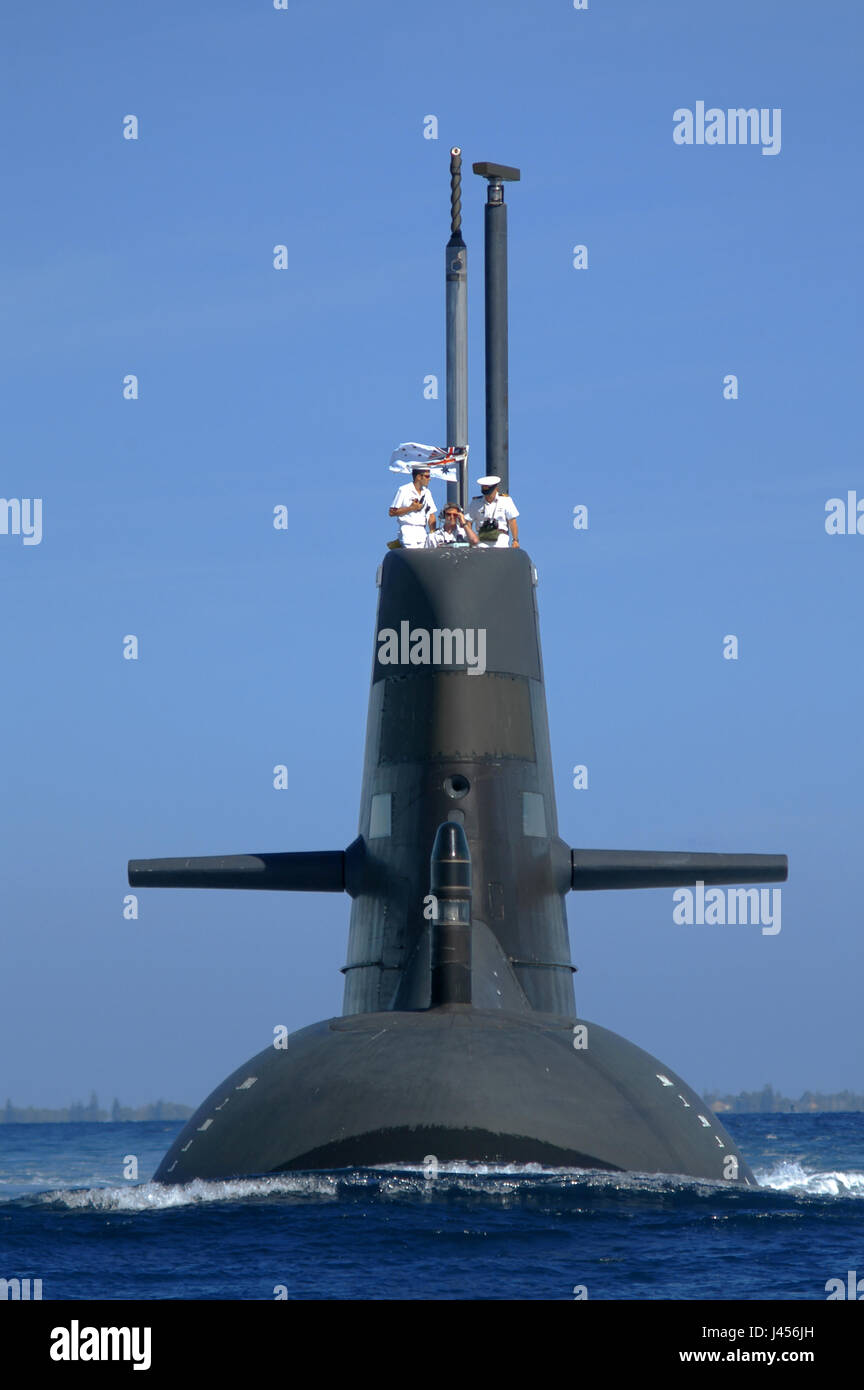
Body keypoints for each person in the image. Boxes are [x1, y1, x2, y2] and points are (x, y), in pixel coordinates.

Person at [389, 467, 436, 548]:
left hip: (422, 530)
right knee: (412, 553)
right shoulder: (404, 490)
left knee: (422, 556)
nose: (430, 479)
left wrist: (432, 532)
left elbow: (431, 515)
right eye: (427, 476)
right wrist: (411, 508)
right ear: (418, 477)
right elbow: (392, 512)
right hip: (407, 528)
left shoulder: (427, 492)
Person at [467, 475, 519, 548]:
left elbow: (512, 521)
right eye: (486, 493)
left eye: (490, 493)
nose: (488, 496)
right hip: (482, 538)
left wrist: (515, 540)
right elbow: (468, 522)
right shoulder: (475, 503)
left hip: (500, 537)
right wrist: (470, 540)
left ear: (496, 489)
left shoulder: (506, 501)